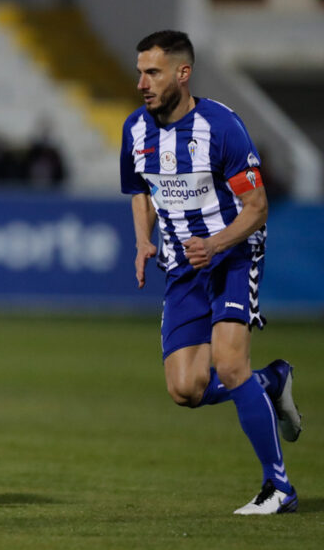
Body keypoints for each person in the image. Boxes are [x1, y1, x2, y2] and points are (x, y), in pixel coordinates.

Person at [121, 30, 302, 515]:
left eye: (153, 72)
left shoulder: (223, 127)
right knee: (185, 388)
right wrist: (143, 239)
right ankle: (271, 383)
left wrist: (217, 243)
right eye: (140, 71)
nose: (142, 82)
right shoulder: (135, 130)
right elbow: (140, 189)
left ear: (183, 73)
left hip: (233, 252)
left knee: (229, 363)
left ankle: (278, 488)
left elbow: (257, 207)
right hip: (183, 264)